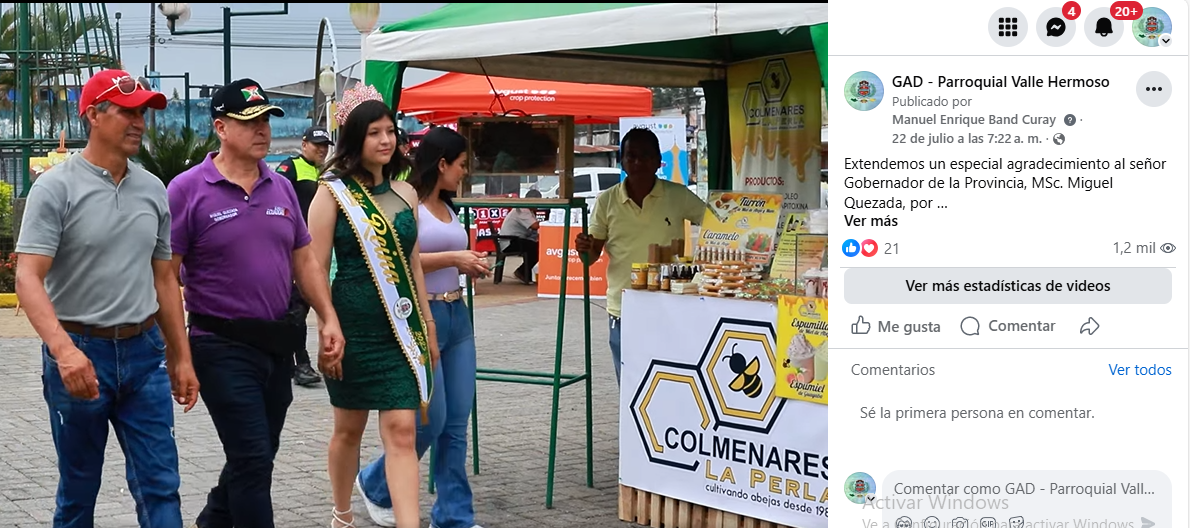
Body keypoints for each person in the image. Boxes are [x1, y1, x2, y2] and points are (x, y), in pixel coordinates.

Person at [14, 68, 199, 527]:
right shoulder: (55, 188)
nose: (138, 122)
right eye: (127, 112)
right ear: (94, 115)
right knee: (78, 492)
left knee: (161, 487)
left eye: (143, 114)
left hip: (145, 355)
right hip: (80, 354)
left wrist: (181, 357)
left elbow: (164, 279)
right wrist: (64, 352)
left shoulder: (152, 189)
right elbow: (28, 277)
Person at [167, 78, 344, 528]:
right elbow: (165, 276)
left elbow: (305, 260)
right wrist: (178, 354)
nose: (262, 129)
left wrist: (328, 317)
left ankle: (211, 522)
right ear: (221, 128)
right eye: (249, 122)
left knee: (259, 454)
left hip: (276, 343)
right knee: (251, 458)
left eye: (266, 119)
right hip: (219, 343)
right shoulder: (187, 189)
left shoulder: (280, 187)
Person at [307, 84, 440, 528]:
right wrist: (325, 325)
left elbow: (412, 264)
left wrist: (428, 324)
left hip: (400, 329)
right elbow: (314, 267)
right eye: (374, 133)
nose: (386, 140)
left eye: (390, 131)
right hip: (352, 328)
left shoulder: (407, 193)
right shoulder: (331, 193)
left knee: (403, 429)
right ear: (354, 139)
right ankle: (342, 514)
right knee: (349, 429)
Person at [356, 126, 490, 528]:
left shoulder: (449, 206)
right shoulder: (405, 201)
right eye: (461, 164)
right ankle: (376, 482)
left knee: (456, 424)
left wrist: (469, 264)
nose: (465, 172)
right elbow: (399, 261)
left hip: (457, 314)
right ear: (442, 163)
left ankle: (453, 517)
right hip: (419, 318)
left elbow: (447, 256)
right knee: (431, 421)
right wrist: (454, 258)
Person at [574, 128, 706, 385]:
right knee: (630, 384)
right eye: (631, 156)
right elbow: (591, 257)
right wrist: (584, 248)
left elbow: (716, 223)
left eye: (645, 155)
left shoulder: (678, 195)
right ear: (622, 161)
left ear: (658, 161)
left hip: (670, 305)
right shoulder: (606, 201)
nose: (638, 162)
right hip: (624, 308)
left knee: (671, 379)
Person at [275, 125, 334, 387]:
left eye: (325, 146)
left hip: (319, 249)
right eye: (317, 144)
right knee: (297, 307)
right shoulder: (291, 167)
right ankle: (301, 363)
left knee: (301, 306)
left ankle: (288, 361)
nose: (321, 149)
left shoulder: (327, 173)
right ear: (304, 144)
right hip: (294, 248)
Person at [498, 188, 541, 284]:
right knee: (536, 248)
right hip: (509, 242)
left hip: (516, 239)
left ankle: (523, 273)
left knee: (536, 246)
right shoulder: (522, 209)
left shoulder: (528, 211)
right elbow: (535, 226)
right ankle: (521, 272)